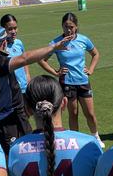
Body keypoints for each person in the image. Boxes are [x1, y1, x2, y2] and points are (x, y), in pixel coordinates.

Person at [0, 25, 74, 155]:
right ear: (4, 42)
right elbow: (25, 58)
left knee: (30, 149)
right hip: (7, 119)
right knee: (15, 155)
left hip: (13, 115)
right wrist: (53, 47)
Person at [38, 12, 105, 148]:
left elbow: (95, 54)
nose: (69, 30)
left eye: (72, 27)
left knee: (90, 114)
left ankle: (96, 137)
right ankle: (75, 139)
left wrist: (91, 69)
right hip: (67, 83)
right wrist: (55, 72)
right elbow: (41, 59)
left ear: (76, 26)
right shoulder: (56, 43)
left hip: (83, 81)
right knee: (73, 113)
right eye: (66, 27)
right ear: (62, 26)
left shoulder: (83, 40)